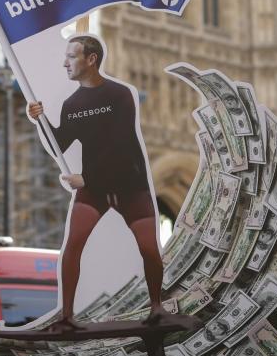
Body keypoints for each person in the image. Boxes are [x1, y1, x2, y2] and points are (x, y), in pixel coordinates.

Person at [27, 34, 194, 334]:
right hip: (94, 189)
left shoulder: (120, 95)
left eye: (72, 56)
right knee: (73, 244)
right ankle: (66, 316)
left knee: (148, 248)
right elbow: (59, 146)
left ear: (91, 59)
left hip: (129, 183)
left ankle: (157, 308)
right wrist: (41, 121)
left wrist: (87, 178)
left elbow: (119, 144)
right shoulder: (72, 103)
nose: (65, 63)